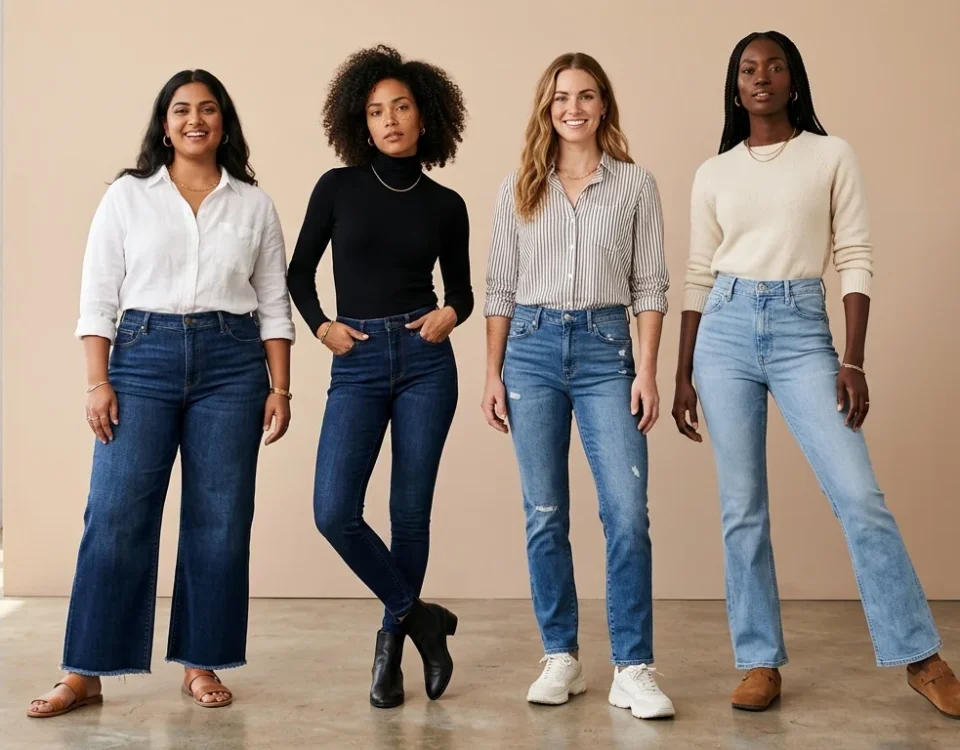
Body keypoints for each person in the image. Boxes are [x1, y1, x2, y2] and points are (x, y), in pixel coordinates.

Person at [672, 30, 960, 717]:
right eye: (748, 68)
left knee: (859, 497)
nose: (761, 77)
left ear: (793, 80)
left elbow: (855, 255)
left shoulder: (830, 155)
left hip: (803, 328)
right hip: (725, 332)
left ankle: (921, 657)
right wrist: (681, 371)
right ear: (735, 86)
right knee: (742, 508)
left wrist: (853, 358)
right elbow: (696, 276)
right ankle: (759, 662)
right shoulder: (714, 172)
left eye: (775, 66)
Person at [27, 70, 295, 718]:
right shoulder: (128, 197)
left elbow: (272, 305)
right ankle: (84, 671)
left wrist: (280, 386)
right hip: (142, 359)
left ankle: (200, 662)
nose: (194, 119)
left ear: (224, 121)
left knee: (220, 520)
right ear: (164, 121)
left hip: (233, 367)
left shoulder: (253, 204)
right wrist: (98, 380)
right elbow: (98, 299)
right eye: (182, 109)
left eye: (207, 109)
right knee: (116, 514)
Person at [482, 52, 675, 720]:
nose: (573, 108)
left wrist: (647, 370)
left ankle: (633, 666)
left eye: (586, 96)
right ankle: (560, 654)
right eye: (561, 97)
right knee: (544, 512)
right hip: (530, 352)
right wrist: (491, 374)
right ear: (547, 106)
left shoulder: (635, 186)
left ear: (603, 106)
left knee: (625, 510)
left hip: (605, 349)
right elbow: (500, 291)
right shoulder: (518, 189)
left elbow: (650, 286)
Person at [287, 45, 471, 709]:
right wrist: (321, 327)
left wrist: (451, 314)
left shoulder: (447, 204)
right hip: (358, 359)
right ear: (359, 124)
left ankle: (391, 647)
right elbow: (297, 273)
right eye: (375, 111)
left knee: (409, 514)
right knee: (334, 511)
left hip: (425, 359)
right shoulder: (337, 189)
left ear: (425, 119)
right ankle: (420, 616)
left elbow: (464, 291)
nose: (389, 119)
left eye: (401, 107)